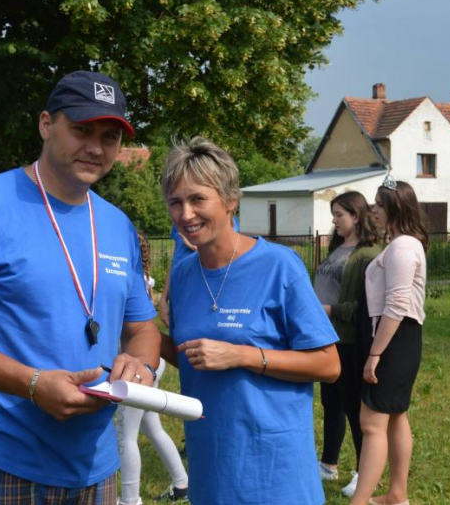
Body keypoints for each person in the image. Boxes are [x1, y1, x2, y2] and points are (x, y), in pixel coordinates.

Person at [0, 70, 161, 505]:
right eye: (81, 130)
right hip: (5, 460)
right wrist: (32, 383)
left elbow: (142, 329)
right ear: (46, 125)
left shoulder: (117, 226)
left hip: (96, 465)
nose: (96, 147)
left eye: (110, 137)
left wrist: (139, 367)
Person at [160, 136, 341, 505]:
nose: (186, 214)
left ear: (230, 200)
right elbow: (190, 356)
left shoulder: (278, 265)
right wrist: (133, 326)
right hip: (212, 463)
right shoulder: (182, 276)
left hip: (274, 468)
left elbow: (329, 364)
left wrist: (242, 356)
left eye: (198, 199)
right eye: (176, 202)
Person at [350, 176, 428, 505]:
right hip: (397, 338)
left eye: (380, 204)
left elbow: (396, 306)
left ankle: (361, 501)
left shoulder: (403, 247)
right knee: (395, 416)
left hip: (394, 339)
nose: (374, 210)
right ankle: (397, 494)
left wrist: (374, 354)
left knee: (371, 421)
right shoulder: (402, 245)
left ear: (395, 207)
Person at [314, 192, 380, 498]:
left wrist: (327, 310)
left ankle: (364, 472)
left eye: (339, 214)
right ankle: (328, 463)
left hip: (350, 342)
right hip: (328, 339)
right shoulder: (338, 247)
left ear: (356, 216)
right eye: (334, 214)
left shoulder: (368, 255)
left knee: (354, 407)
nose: (334, 220)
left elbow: (363, 307)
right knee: (332, 403)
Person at [115, 233, 189, 505]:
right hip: (149, 362)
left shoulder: (122, 279)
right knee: (151, 426)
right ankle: (182, 482)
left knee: (125, 435)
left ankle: (130, 499)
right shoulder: (141, 279)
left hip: (138, 365)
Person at [158, 217, 238, 328]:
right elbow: (175, 259)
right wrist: (163, 299)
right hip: (180, 286)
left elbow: (226, 253)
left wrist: (193, 246)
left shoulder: (224, 218)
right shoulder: (180, 221)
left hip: (204, 285)